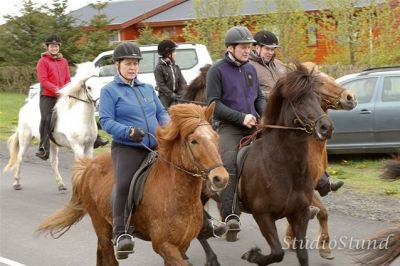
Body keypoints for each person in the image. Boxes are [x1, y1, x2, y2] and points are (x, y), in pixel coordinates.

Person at [249, 30, 343, 196]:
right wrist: (274, 95)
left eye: (273, 49)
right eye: (266, 49)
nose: (270, 52)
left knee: (307, 133)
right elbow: (250, 93)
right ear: (256, 48)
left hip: (285, 114)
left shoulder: (279, 65)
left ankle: (320, 175)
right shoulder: (249, 67)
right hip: (261, 114)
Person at [99, 42, 170, 260]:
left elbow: (161, 113)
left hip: (155, 144)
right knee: (123, 184)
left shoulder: (147, 88)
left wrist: (170, 129)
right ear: (117, 64)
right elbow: (105, 121)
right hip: (127, 147)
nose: (133, 67)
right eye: (128, 63)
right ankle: (120, 232)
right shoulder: (109, 90)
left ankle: (203, 221)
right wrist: (128, 131)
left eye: (136, 63)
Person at [206, 26, 265, 241]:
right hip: (229, 127)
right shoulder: (217, 70)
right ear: (230, 48)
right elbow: (213, 104)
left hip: (253, 124)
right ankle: (231, 214)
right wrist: (241, 117)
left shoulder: (251, 69)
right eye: (243, 47)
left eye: (249, 46)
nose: (247, 50)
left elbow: (258, 97)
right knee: (228, 162)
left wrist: (263, 113)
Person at [36, 34, 108, 160]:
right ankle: (43, 147)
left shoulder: (63, 61)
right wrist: (57, 90)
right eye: (52, 46)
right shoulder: (42, 62)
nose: (54, 48)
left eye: (56, 46)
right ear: (48, 47)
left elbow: (67, 79)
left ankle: (95, 138)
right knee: (47, 118)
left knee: (83, 111)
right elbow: (43, 80)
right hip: (48, 96)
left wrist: (72, 88)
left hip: (64, 94)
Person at [154, 40, 187, 108]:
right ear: (168, 54)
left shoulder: (175, 67)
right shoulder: (158, 68)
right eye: (174, 51)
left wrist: (182, 94)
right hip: (165, 98)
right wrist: (171, 95)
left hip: (177, 95)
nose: (175, 54)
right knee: (164, 113)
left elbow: (182, 82)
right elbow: (161, 85)